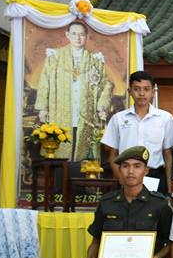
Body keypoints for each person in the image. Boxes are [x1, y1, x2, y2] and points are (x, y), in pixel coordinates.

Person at [82, 146, 172, 258]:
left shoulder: (159, 205)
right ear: (119, 170)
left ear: (146, 171)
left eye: (137, 166)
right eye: (125, 166)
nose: (131, 171)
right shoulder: (107, 203)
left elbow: (170, 243)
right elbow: (96, 240)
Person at [35, 21, 115, 160]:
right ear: (67, 35)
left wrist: (101, 106)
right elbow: (44, 82)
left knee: (84, 150)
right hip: (61, 110)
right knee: (59, 144)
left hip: (85, 113)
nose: (78, 38)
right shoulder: (55, 57)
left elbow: (106, 84)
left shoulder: (95, 60)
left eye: (82, 34)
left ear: (86, 36)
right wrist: (43, 108)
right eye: (74, 34)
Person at [101, 70, 173, 194]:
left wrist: (169, 189)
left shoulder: (165, 118)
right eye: (136, 89)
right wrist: (120, 179)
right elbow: (112, 155)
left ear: (153, 92)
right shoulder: (118, 119)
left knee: (155, 206)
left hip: (155, 175)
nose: (141, 94)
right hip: (127, 176)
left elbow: (168, 155)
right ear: (129, 91)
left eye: (146, 89)